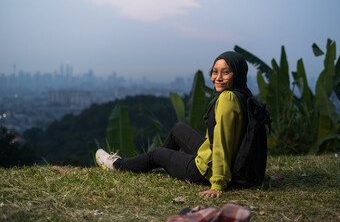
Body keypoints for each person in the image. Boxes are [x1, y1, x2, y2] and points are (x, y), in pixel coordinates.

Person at [96, 51, 251, 198]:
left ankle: (117, 165)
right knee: (179, 129)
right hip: (215, 157)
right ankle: (157, 163)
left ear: (237, 74)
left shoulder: (227, 99)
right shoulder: (244, 96)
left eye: (225, 72)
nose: (217, 78)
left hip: (204, 171)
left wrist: (217, 184)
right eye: (215, 71)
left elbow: (221, 144)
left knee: (157, 153)